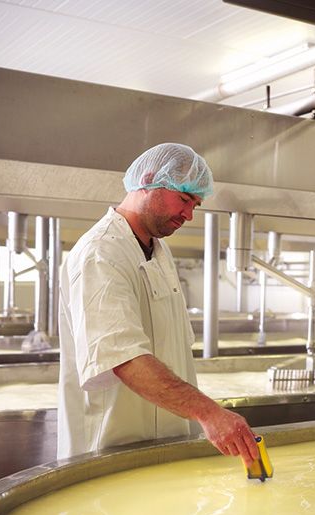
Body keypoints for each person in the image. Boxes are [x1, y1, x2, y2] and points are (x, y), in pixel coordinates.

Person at [57, 142, 259, 467]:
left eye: (196, 204)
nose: (189, 215)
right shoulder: (101, 253)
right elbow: (122, 356)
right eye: (184, 198)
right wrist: (209, 413)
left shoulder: (159, 252)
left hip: (163, 445)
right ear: (149, 180)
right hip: (110, 450)